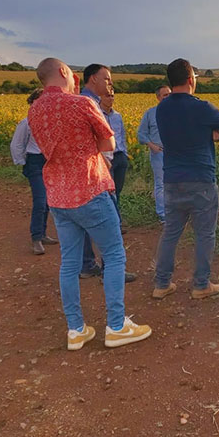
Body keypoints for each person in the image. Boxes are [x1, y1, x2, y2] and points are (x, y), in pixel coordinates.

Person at [28, 58, 151, 351]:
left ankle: (76, 330)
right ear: (63, 72)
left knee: (69, 263)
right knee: (114, 254)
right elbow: (109, 144)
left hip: (57, 194)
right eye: (71, 74)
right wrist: (84, 148)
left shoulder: (34, 110)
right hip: (89, 188)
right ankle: (117, 326)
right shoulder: (81, 104)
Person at [151, 58, 219, 300]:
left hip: (172, 178)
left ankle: (162, 284)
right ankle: (201, 285)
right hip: (201, 178)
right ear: (190, 80)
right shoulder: (203, 107)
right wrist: (211, 137)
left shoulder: (161, 108)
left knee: (171, 232)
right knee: (205, 234)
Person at [78, 64, 134, 282]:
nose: (110, 83)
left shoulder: (83, 102)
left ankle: (88, 265)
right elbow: (99, 141)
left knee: (85, 221)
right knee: (108, 222)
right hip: (99, 171)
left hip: (95, 169)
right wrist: (102, 159)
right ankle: (110, 271)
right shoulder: (89, 104)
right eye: (107, 79)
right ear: (93, 79)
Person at [10, 89, 58, 255]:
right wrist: (24, 163)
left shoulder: (51, 122)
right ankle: (36, 238)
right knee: (40, 200)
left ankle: (43, 233)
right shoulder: (26, 123)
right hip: (35, 162)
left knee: (48, 201)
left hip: (49, 162)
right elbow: (17, 145)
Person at [137, 85, 171, 223]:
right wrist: (152, 146)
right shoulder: (150, 114)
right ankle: (163, 215)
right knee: (161, 184)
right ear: (158, 98)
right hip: (159, 153)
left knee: (178, 183)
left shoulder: (178, 113)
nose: (168, 98)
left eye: (169, 94)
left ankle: (176, 213)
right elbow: (141, 134)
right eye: (164, 95)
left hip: (176, 153)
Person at [99, 91, 130, 198]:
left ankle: (117, 213)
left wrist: (125, 154)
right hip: (107, 158)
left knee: (118, 190)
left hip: (120, 155)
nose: (111, 98)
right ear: (100, 97)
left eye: (112, 96)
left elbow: (122, 135)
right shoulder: (97, 115)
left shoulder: (117, 116)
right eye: (107, 96)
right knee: (109, 190)